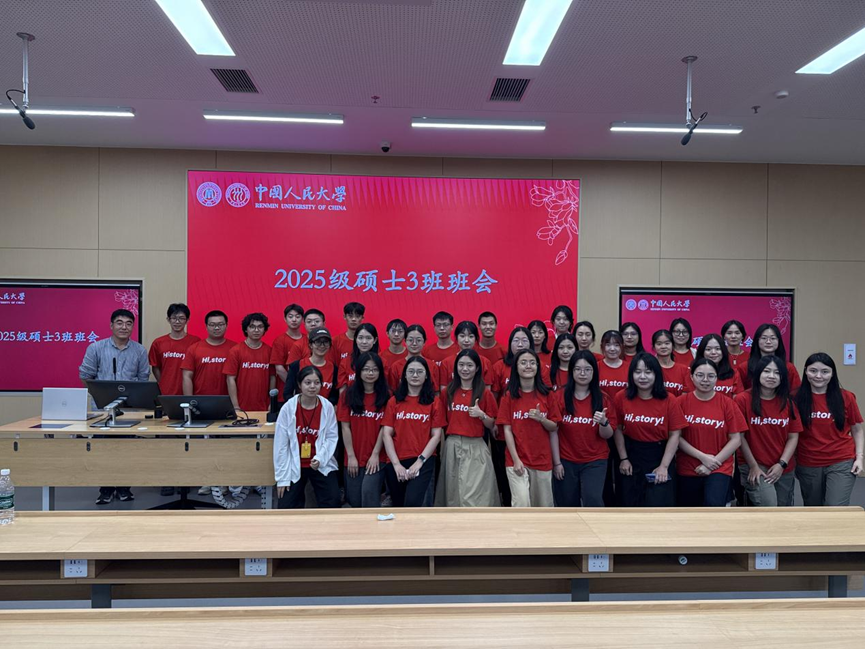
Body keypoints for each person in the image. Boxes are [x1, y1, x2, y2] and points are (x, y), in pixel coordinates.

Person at [79, 308, 150, 505]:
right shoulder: (96, 348)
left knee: (127, 449)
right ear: (111, 325)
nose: (124, 327)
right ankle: (106, 489)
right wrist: (99, 395)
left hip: (130, 409)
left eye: (128, 323)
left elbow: (143, 378)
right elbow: (85, 375)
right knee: (103, 449)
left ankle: (125, 487)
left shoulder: (139, 350)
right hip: (102, 409)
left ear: (133, 327)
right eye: (119, 322)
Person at [613, 352, 687, 507]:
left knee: (658, 505)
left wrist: (664, 466)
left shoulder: (669, 399)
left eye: (648, 372)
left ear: (656, 374)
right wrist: (624, 459)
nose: (642, 377)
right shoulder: (621, 397)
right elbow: (617, 429)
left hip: (660, 455)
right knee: (629, 504)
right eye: (638, 372)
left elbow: (675, 434)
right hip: (631, 455)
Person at [794, 353, 864, 506]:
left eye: (825, 371)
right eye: (813, 371)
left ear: (832, 373)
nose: (818, 376)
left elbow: (857, 430)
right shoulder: (795, 398)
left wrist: (859, 457)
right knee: (814, 508)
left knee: (835, 508)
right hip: (808, 462)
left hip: (841, 460)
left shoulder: (846, 397)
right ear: (806, 371)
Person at [676, 358, 746, 507]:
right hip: (688, 467)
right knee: (689, 513)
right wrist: (703, 458)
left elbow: (736, 439)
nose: (705, 380)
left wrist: (711, 464)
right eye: (700, 375)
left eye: (711, 376)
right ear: (692, 377)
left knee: (713, 507)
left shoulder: (727, 403)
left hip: (719, 467)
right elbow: (676, 437)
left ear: (717, 378)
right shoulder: (680, 402)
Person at [435, 349, 500, 507]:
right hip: (452, 446)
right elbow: (441, 425)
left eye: (470, 365)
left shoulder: (484, 393)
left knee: (474, 496)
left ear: (477, 368)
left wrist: (481, 414)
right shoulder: (447, 392)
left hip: (476, 446)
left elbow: (492, 424)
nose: (465, 369)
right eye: (461, 365)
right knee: (453, 494)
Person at [734, 355, 801, 507]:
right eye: (766, 371)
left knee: (783, 509)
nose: (771, 376)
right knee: (768, 506)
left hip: (783, 466)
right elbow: (740, 437)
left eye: (777, 373)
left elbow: (793, 436)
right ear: (758, 373)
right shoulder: (742, 400)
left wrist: (781, 464)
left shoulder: (788, 402)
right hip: (755, 465)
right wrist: (753, 466)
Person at [497, 349, 560, 507]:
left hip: (542, 460)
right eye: (523, 362)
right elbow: (507, 430)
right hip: (517, 460)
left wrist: (541, 419)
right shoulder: (508, 396)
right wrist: (516, 460)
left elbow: (554, 426)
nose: (528, 366)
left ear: (538, 366)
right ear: (516, 367)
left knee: (543, 506)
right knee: (522, 503)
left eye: (532, 362)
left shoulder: (547, 394)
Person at [552, 351, 615, 507]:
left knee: (592, 499)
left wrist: (603, 422)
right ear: (571, 371)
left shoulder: (603, 398)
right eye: (578, 369)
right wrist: (557, 463)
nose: (582, 373)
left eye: (587, 369)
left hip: (595, 460)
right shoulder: (559, 396)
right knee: (567, 503)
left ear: (594, 372)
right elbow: (553, 431)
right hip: (566, 460)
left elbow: (607, 435)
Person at [381, 357, 445, 507]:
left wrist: (420, 462)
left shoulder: (434, 402)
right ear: (404, 375)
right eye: (411, 371)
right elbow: (386, 433)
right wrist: (396, 464)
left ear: (426, 375)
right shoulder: (394, 401)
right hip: (396, 459)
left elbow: (436, 435)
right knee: (398, 504)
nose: (415, 375)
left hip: (423, 459)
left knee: (412, 502)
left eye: (419, 372)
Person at [274, 366, 340, 508]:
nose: (312, 387)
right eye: (307, 382)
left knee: (333, 500)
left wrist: (320, 458)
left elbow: (331, 437)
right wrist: (282, 478)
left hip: (319, 463)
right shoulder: (288, 408)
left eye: (317, 383)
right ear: (299, 385)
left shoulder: (327, 407)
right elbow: (281, 445)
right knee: (286, 504)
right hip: (294, 463)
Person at [337, 352, 389, 508]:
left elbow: (385, 428)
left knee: (369, 495)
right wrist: (351, 456)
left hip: (377, 456)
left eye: (374, 369)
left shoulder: (387, 396)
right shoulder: (347, 395)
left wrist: (375, 454)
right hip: (353, 455)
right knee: (354, 500)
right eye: (366, 369)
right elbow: (345, 427)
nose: (370, 373)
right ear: (358, 371)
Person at [224, 312, 275, 413]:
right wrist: (236, 406)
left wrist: (271, 403)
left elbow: (272, 377)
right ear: (245, 329)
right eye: (252, 327)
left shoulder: (270, 351)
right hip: (241, 407)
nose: (256, 330)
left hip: (264, 407)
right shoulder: (235, 351)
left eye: (260, 327)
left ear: (264, 329)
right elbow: (230, 379)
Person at [148, 303, 200, 396]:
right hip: (165, 393)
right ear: (168, 319)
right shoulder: (158, 342)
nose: (177, 321)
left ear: (187, 320)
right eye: (174, 318)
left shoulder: (196, 342)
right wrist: (163, 383)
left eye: (181, 318)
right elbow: (155, 367)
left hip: (190, 393)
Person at [181, 310, 237, 396]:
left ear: (226, 325)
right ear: (206, 326)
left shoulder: (235, 349)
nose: (216, 328)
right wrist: (190, 401)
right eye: (212, 325)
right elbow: (187, 376)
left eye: (220, 324)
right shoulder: (194, 349)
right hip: (200, 399)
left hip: (228, 399)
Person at [284, 328, 339, 404]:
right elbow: (287, 393)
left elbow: (334, 396)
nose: (322, 345)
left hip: (324, 409)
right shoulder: (296, 366)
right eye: (318, 342)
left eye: (326, 342)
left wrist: (323, 407)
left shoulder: (334, 369)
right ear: (310, 345)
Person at [743, 324, 801, 391]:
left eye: (773, 338)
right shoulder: (745, 367)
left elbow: (796, 391)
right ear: (757, 340)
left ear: (779, 341)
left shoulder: (789, 367)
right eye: (764, 338)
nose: (768, 342)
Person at [437, 321, 492, 389]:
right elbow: (444, 391)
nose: (466, 340)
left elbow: (487, 391)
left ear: (476, 339)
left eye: (471, 336)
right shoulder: (446, 363)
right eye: (462, 336)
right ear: (456, 338)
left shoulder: (485, 362)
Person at [388, 324, 440, 392]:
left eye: (418, 340)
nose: (414, 343)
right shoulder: (396, 366)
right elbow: (392, 391)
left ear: (424, 342)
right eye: (410, 340)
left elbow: (436, 392)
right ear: (405, 341)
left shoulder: (433, 366)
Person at [270, 304, 304, 403]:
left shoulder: (308, 340)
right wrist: (295, 386)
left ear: (302, 319)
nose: (294, 320)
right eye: (290, 316)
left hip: (307, 393)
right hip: (285, 394)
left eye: (297, 316)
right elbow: (279, 369)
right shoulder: (280, 341)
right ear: (285, 319)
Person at [337, 323, 379, 392]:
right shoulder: (346, 362)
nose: (364, 342)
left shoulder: (382, 362)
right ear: (355, 339)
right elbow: (342, 391)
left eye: (368, 338)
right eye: (360, 338)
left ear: (375, 340)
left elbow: (383, 387)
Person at [653, 329, 689, 397]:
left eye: (667, 343)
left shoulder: (684, 370)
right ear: (654, 347)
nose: (663, 347)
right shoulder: (650, 369)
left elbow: (685, 396)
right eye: (659, 344)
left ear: (673, 345)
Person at [597, 330, 629, 399]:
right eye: (608, 345)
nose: (612, 349)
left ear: (622, 346)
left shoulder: (629, 368)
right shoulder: (596, 367)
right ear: (602, 346)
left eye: (616, 345)